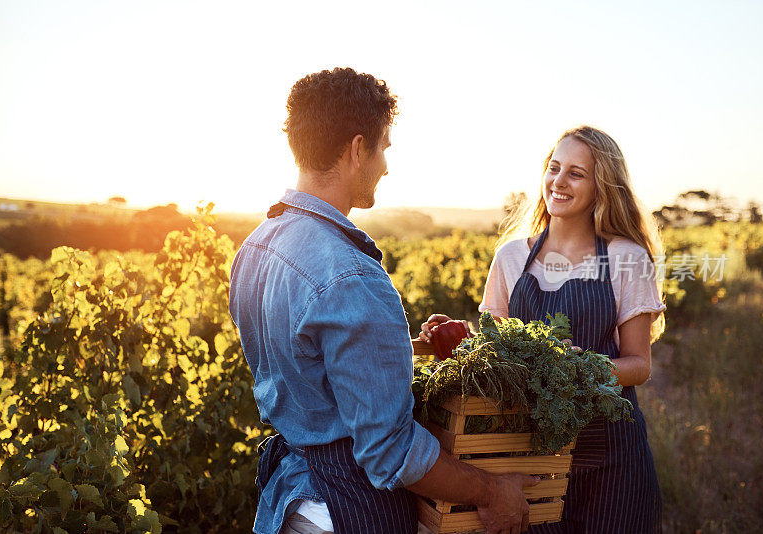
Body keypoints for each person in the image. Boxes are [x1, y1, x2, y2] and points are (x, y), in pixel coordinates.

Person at [228, 67, 539, 534]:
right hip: (345, 511)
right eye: (384, 148)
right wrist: (494, 491)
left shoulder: (255, 248)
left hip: (291, 504)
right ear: (357, 149)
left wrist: (406, 347)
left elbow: (309, 364)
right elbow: (390, 453)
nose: (386, 165)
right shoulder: (353, 276)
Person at [421, 126, 665, 533]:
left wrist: (578, 369)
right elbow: (494, 353)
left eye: (576, 173)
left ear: (601, 186)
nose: (559, 181)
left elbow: (639, 365)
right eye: (554, 168)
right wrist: (453, 336)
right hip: (532, 456)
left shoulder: (626, 257)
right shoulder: (512, 258)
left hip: (613, 456)